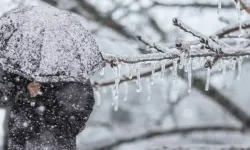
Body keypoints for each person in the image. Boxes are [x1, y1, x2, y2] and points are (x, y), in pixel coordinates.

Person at [1, 72, 95, 150]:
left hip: (58, 142)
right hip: (22, 139)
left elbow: (85, 103)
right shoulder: (19, 58)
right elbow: (3, 96)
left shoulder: (72, 67)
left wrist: (65, 128)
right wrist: (25, 92)